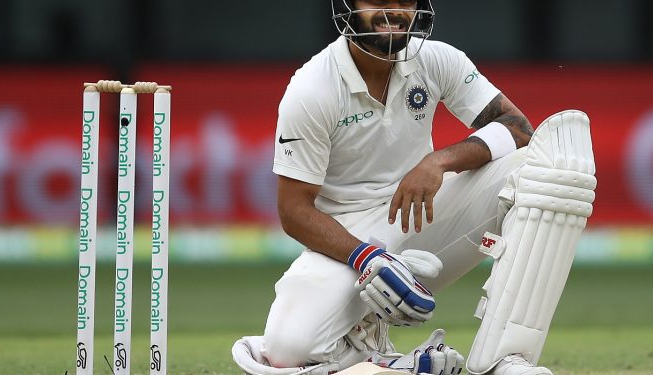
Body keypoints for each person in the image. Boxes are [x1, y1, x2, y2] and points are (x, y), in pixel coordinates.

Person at [232, 1, 596, 375]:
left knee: (547, 167)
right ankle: (378, 359)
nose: (392, 11)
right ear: (348, 6)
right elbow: (294, 212)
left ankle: (506, 358)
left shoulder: (436, 59)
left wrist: (439, 161)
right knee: (285, 351)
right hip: (345, 243)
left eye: (403, 0)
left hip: (422, 217)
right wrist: (368, 257)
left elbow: (519, 129)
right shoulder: (313, 88)